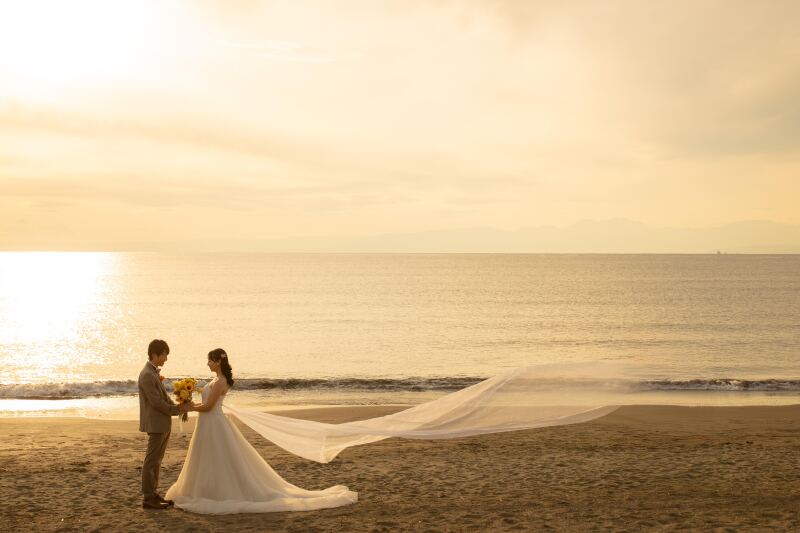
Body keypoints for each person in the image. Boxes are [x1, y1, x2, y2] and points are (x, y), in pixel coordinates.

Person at [165, 348, 357, 514]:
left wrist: (190, 407)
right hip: (208, 424)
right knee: (206, 458)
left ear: (217, 362)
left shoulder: (221, 382)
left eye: (209, 360)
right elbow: (205, 404)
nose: (207, 364)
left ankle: (216, 492)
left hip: (214, 424)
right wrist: (190, 404)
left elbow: (208, 407)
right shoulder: (217, 380)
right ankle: (204, 490)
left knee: (219, 458)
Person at [137, 339, 190, 510]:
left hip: (162, 423)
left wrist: (178, 406)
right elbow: (156, 403)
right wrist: (176, 410)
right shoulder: (146, 375)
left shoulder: (153, 373)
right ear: (155, 355)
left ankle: (153, 493)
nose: (166, 359)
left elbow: (163, 398)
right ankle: (147, 497)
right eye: (164, 355)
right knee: (151, 461)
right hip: (155, 423)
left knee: (157, 461)